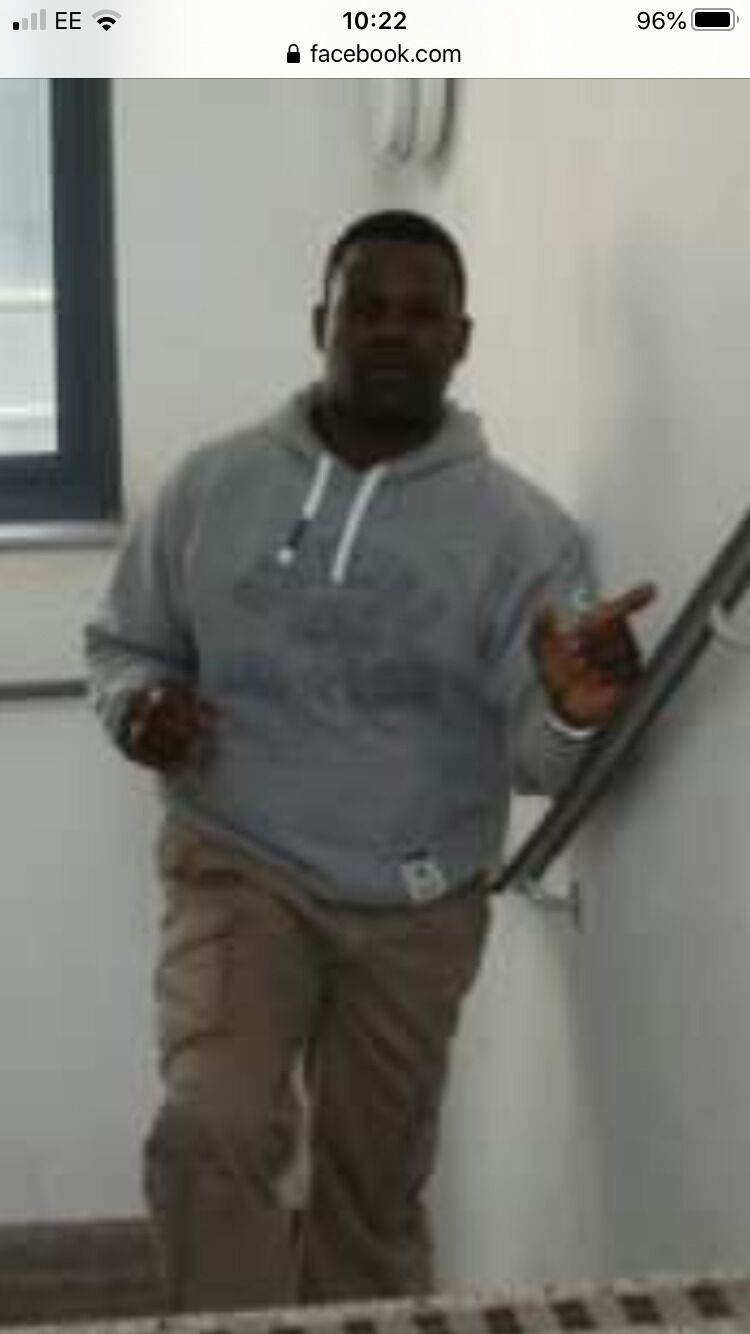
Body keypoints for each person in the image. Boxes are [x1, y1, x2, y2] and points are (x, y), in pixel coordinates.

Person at [85, 210, 655, 1313]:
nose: (392, 331)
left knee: (373, 1192)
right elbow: (124, 643)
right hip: (240, 867)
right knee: (212, 1127)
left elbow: (543, 758)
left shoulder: (524, 535)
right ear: (322, 322)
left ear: (461, 337)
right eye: (367, 308)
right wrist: (136, 706)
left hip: (418, 909)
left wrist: (574, 711)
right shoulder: (212, 486)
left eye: (421, 312)